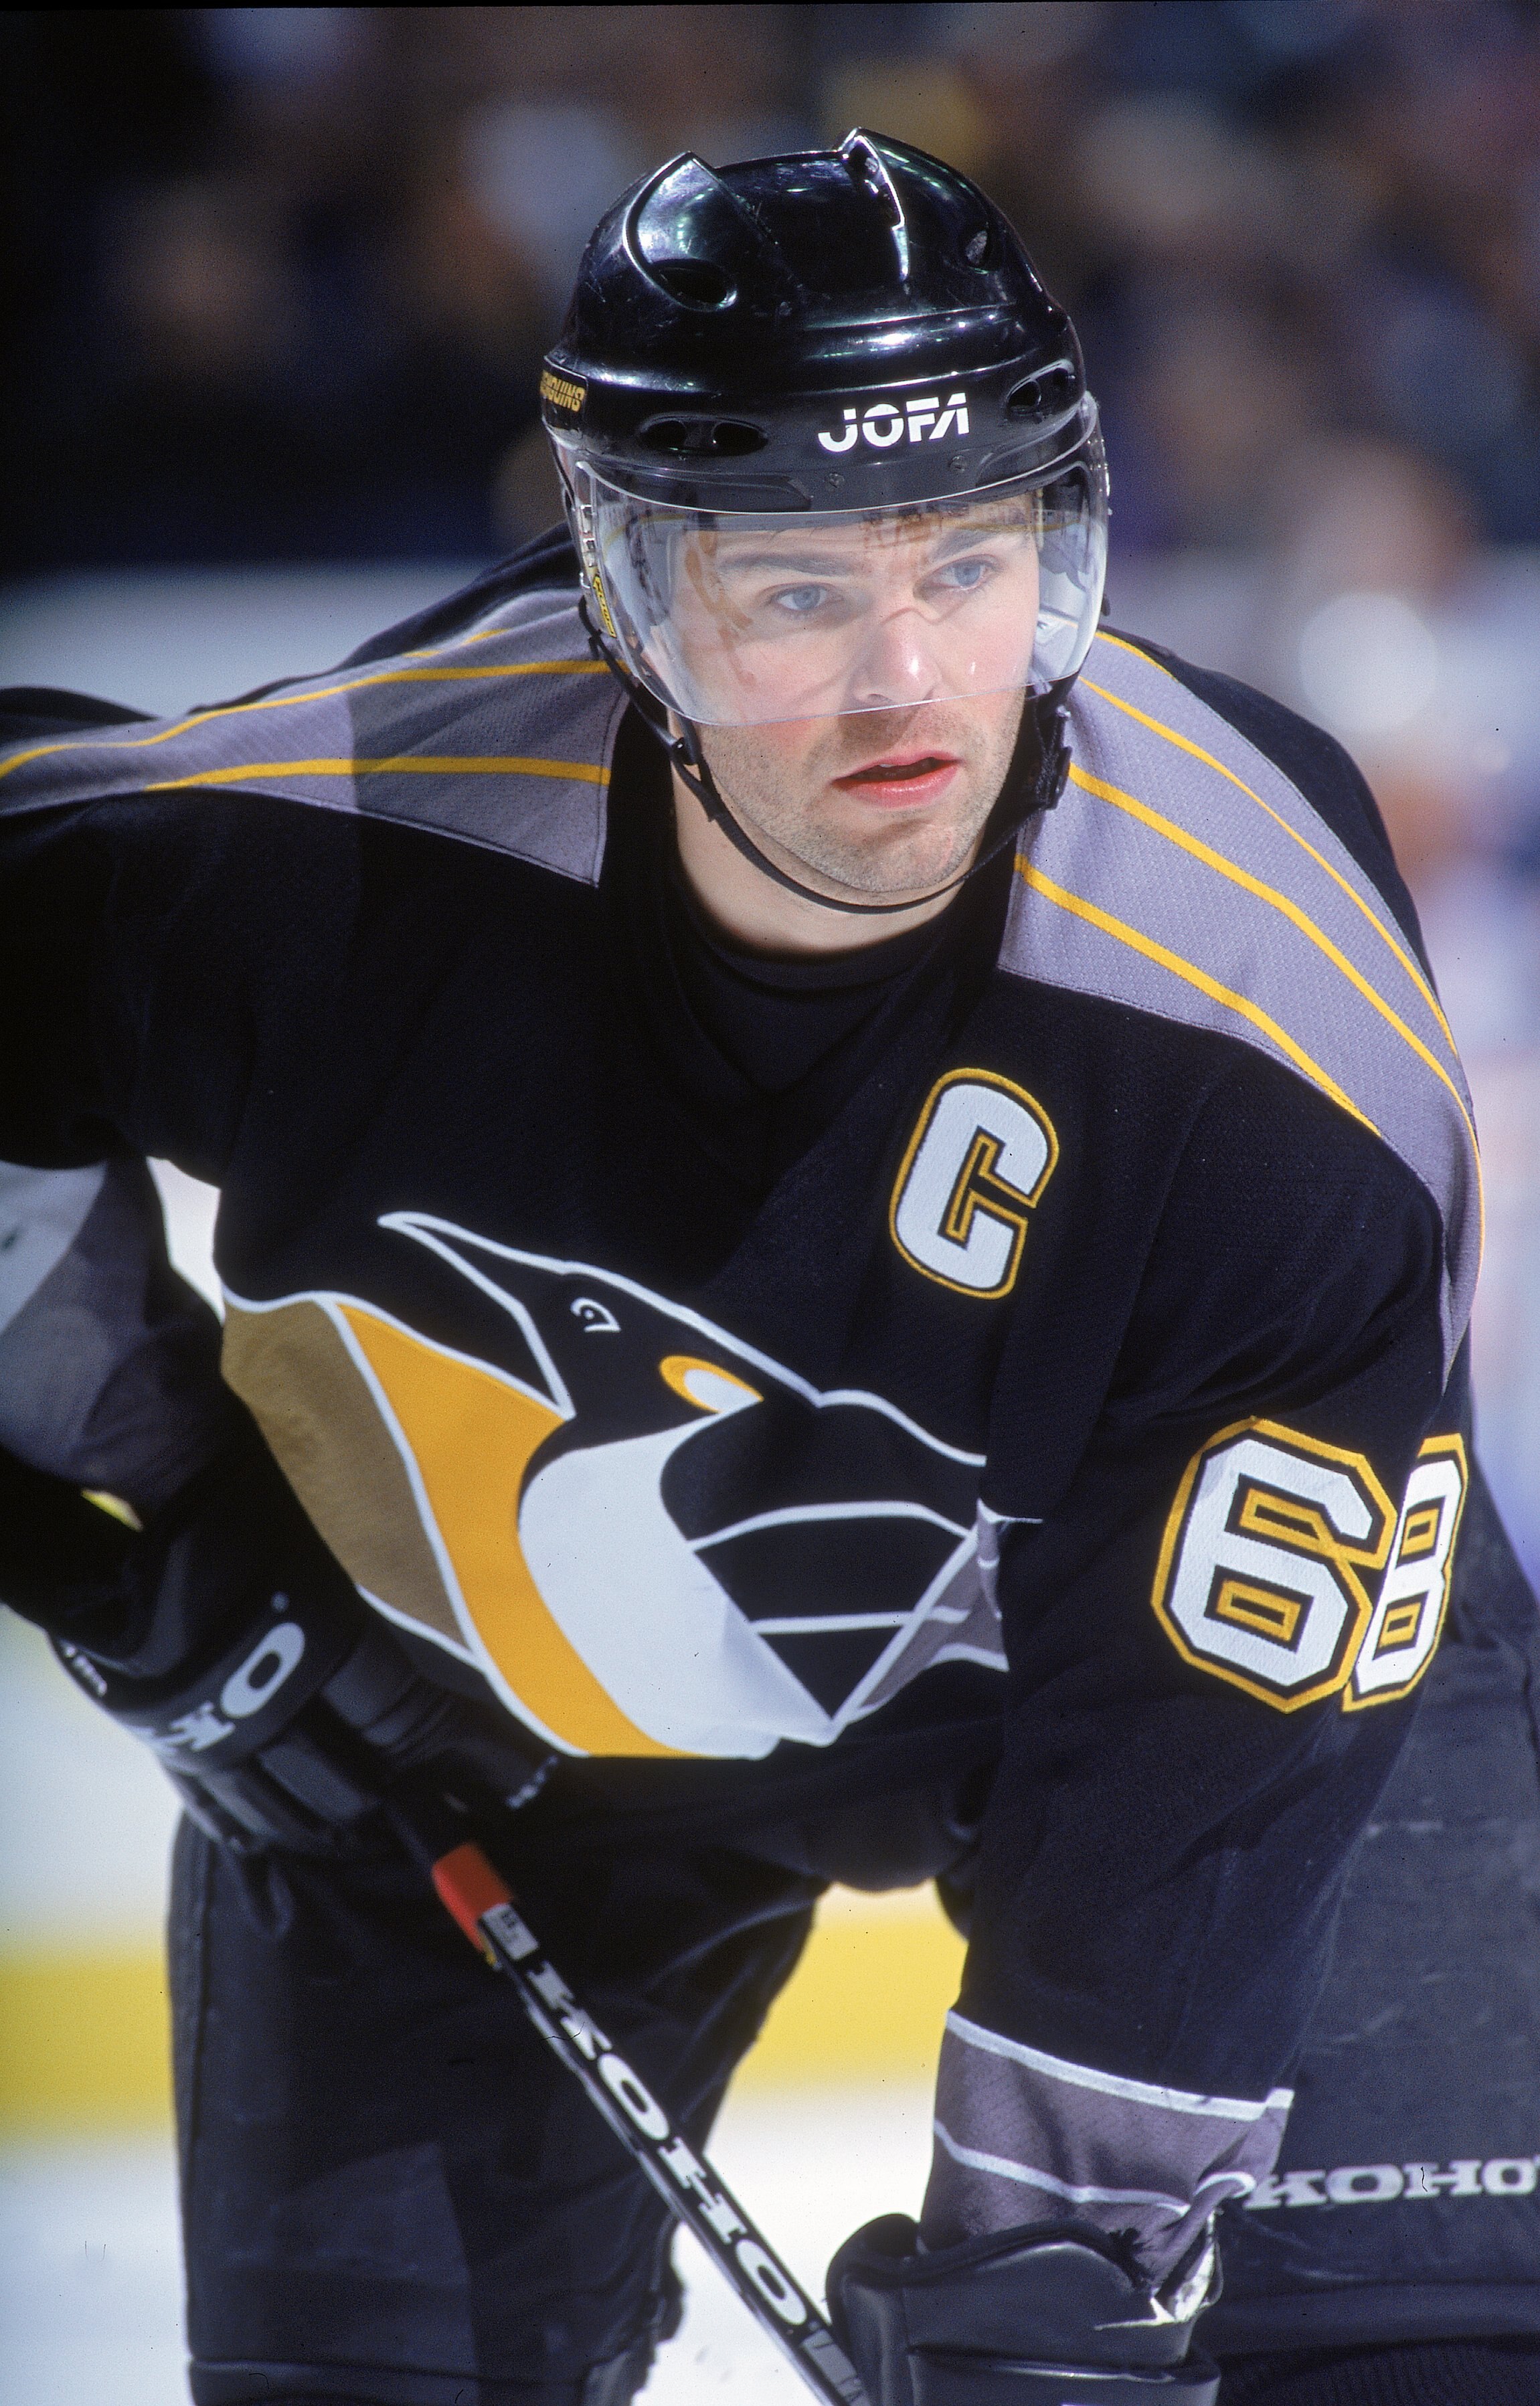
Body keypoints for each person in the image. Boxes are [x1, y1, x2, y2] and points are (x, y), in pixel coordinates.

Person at [0, 132, 1535, 2406]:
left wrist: (1067, 2281)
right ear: (626, 585)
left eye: (975, 557)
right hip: (477, 1725)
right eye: (793, 590)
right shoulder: (344, 873)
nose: (909, 679)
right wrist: (173, 1512)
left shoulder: (1273, 1051)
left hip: (1193, 1712)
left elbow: (1216, 1749)